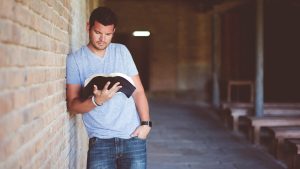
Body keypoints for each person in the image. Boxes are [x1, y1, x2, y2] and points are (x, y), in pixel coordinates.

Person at [66, 7, 151, 169]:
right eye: (98, 32)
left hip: (133, 137)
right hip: (100, 142)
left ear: (114, 32)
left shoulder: (122, 52)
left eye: (108, 34)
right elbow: (73, 105)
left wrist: (146, 124)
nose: (102, 39)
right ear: (88, 27)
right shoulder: (75, 60)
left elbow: (138, 91)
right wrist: (96, 101)